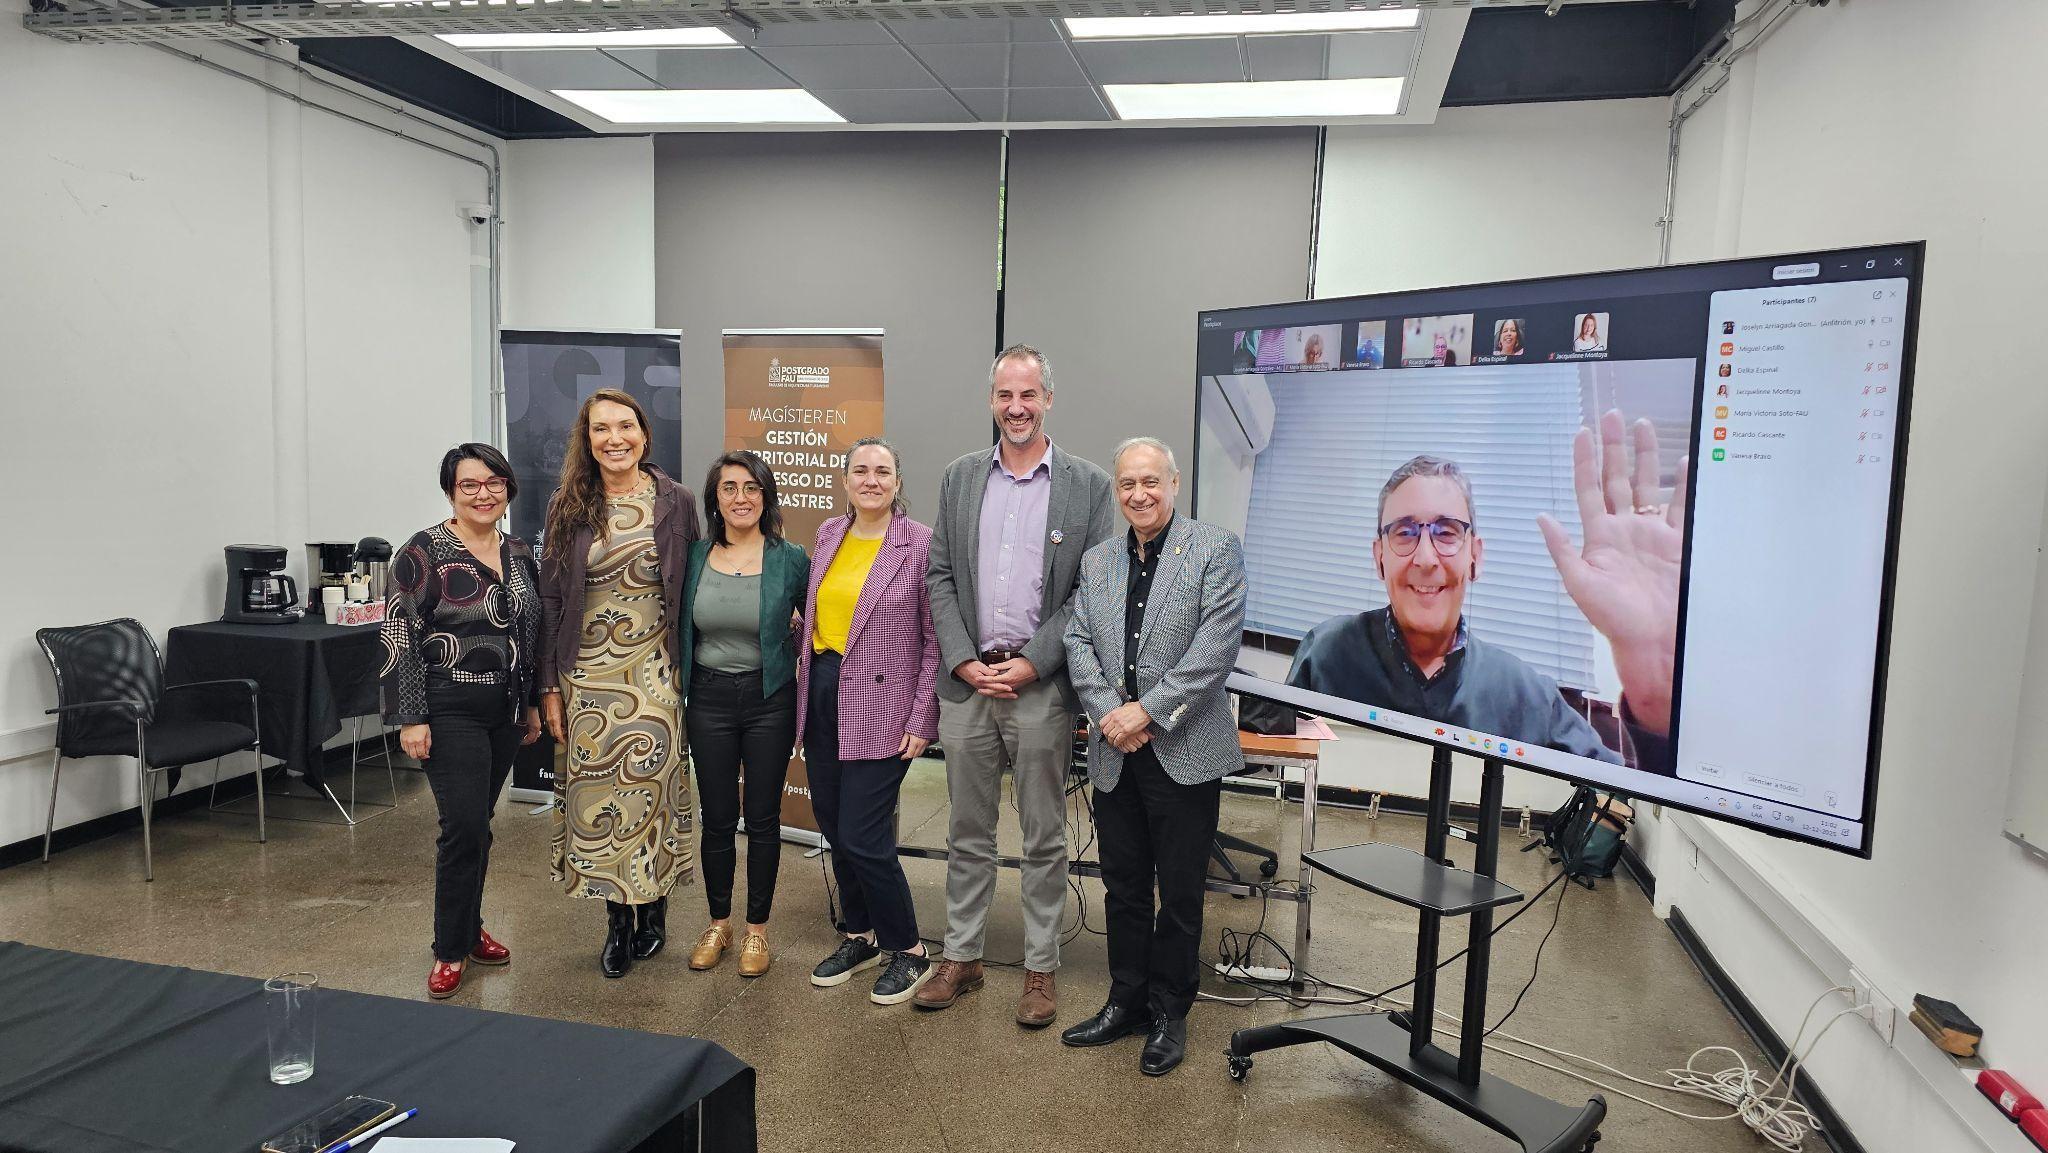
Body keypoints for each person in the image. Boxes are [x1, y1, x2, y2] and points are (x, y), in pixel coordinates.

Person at [917, 343, 1117, 1025]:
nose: (1016, 407)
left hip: (1040, 687)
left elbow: (1091, 591)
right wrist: (962, 659)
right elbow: (941, 575)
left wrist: (1034, 661)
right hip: (970, 683)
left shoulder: (1088, 486)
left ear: (1048, 399)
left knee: (1043, 836)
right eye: (1005, 395)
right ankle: (962, 956)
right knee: (967, 830)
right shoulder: (960, 477)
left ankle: (1039, 968)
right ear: (991, 401)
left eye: (1028, 394)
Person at [1061, 438, 1246, 1077]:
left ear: (1173, 483)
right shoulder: (1098, 561)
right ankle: (1126, 1001)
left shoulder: (1214, 549)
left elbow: (1215, 649)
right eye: (1127, 484)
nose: (1138, 495)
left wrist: (1145, 713)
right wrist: (1110, 714)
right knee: (1124, 887)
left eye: (1150, 482)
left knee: (1181, 892)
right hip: (1116, 752)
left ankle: (1169, 1012)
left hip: (1183, 748)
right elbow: (1077, 640)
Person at [1285, 454, 1634, 766]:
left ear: (1475, 557)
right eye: (1404, 533)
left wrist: (1648, 681)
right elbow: (1272, 765)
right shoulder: (1326, 655)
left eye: (1447, 533)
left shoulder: (1527, 696)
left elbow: (1623, 794)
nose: (1425, 558)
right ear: (1379, 557)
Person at [538, 388, 701, 979]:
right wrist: (549, 687)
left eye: (625, 426)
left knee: (650, 794)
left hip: (656, 674)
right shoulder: (567, 505)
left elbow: (694, 584)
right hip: (587, 679)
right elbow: (550, 599)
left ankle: (652, 906)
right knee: (601, 799)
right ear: (586, 440)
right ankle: (617, 921)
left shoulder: (677, 501)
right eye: (601, 429)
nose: (615, 439)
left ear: (644, 434)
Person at [380, 443, 543, 1000]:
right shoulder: (422, 552)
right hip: (449, 707)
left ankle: (470, 931)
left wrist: (529, 704)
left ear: (508, 490)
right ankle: (449, 948)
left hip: (505, 710)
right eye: (470, 484)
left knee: (478, 823)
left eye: (494, 483)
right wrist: (411, 717)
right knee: (464, 825)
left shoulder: (519, 552)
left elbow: (528, 633)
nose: (483, 494)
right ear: (451, 492)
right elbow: (398, 635)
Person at [798, 438, 942, 1005]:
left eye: (883, 471)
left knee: (863, 834)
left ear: (898, 482)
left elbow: (934, 640)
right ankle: (860, 934)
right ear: (846, 480)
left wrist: (923, 716)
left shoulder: (919, 544)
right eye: (860, 470)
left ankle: (910, 949)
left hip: (884, 706)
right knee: (835, 827)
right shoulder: (829, 533)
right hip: (823, 694)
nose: (871, 480)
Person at [678, 450, 809, 977]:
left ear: (766, 496)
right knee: (715, 818)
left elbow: (815, 626)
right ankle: (718, 923)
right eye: (729, 488)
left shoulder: (790, 558)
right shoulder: (693, 556)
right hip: (708, 698)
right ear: (715, 498)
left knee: (762, 818)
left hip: (768, 700)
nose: (741, 498)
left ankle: (757, 930)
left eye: (752, 487)